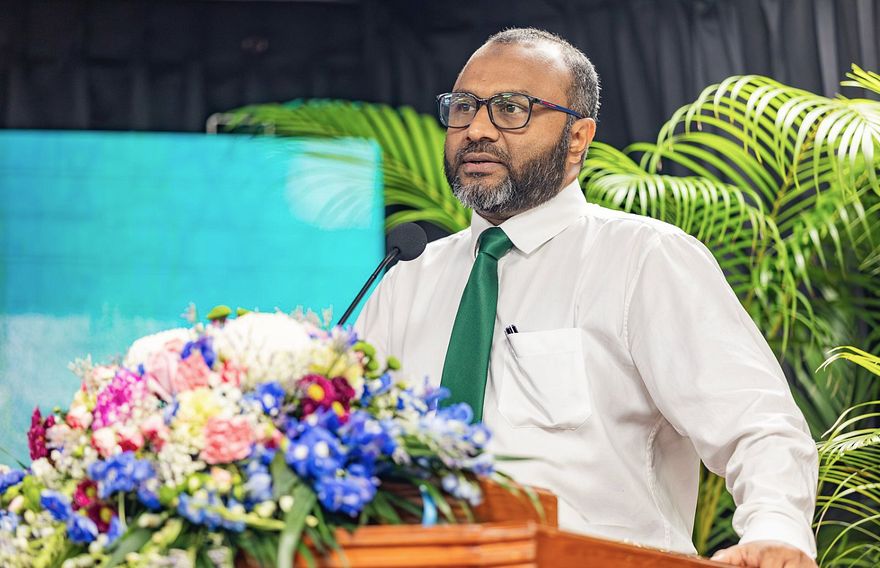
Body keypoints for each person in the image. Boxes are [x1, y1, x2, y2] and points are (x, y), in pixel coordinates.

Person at [355, 27, 818, 568]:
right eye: (463, 108)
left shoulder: (644, 259)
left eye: (510, 109)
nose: (476, 129)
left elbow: (758, 424)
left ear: (577, 137)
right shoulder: (408, 277)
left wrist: (776, 530)